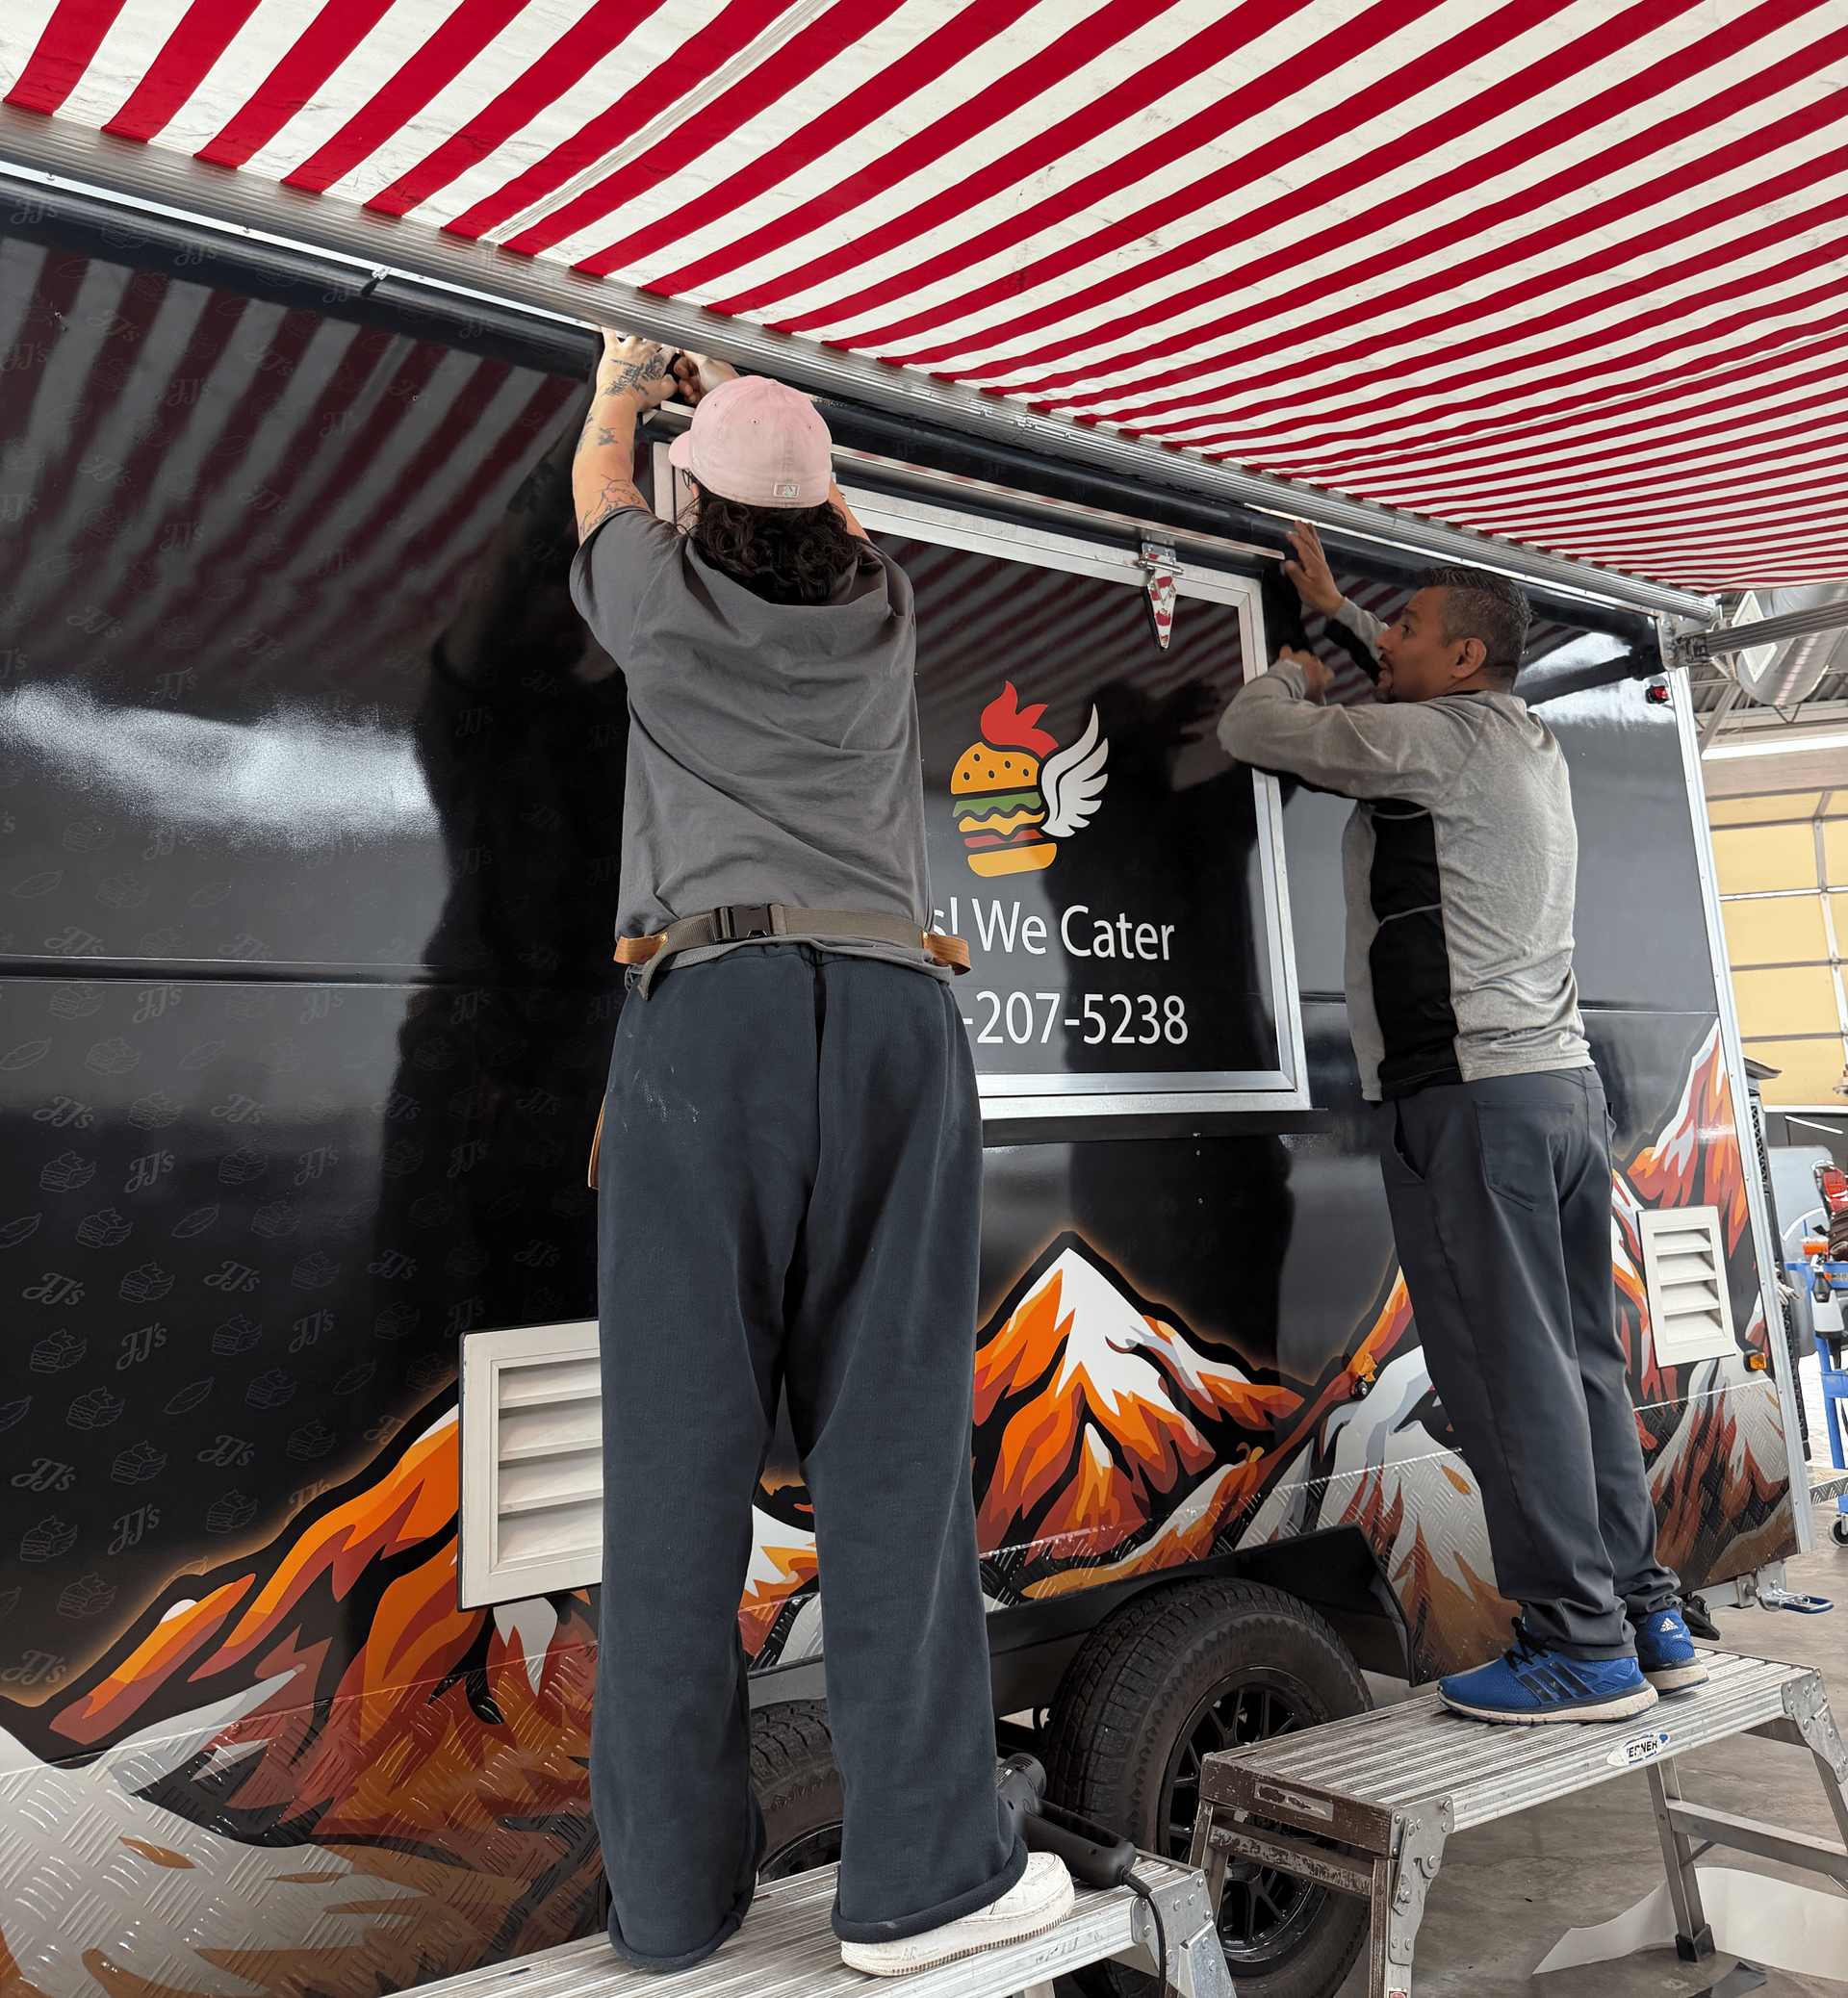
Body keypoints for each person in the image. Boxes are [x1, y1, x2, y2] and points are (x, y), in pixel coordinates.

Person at [565, 330, 1072, 1971]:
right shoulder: (882, 610)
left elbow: (597, 491)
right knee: (898, 1460)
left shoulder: (652, 600)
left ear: (690, 506)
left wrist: (622, 398)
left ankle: (667, 1905)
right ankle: (923, 1880)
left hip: (707, 1015)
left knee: (672, 1479)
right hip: (890, 1009)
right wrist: (745, 415)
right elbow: (828, 508)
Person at [1219, 523, 1707, 1726]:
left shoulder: (1430, 743)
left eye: (1408, 628)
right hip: (1555, 1094)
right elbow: (1411, 685)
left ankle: (1575, 1648)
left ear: (1469, 654)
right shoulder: (1519, 736)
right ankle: (1639, 1606)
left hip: (1470, 1107)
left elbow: (1254, 731)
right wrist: (1339, 610)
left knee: (1504, 1378)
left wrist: (1298, 668)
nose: (1385, 638)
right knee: (1583, 1362)